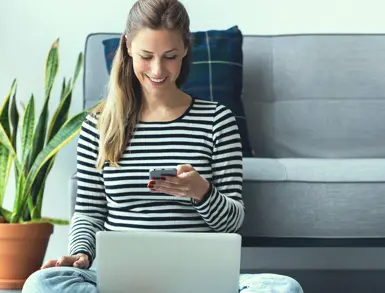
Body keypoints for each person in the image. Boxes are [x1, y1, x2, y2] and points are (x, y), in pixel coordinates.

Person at [22, 0, 304, 292]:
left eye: (169, 56)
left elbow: (232, 221)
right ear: (128, 47)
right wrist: (81, 254)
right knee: (41, 283)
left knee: (283, 287)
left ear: (185, 48)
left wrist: (202, 193)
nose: (158, 70)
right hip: (122, 279)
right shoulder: (99, 124)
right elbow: (89, 211)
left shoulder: (217, 120)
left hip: (202, 278)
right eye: (147, 56)